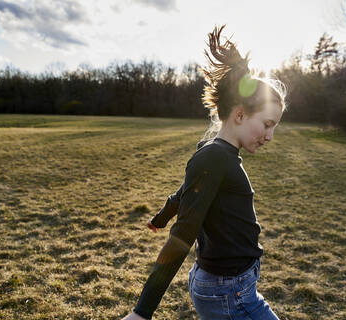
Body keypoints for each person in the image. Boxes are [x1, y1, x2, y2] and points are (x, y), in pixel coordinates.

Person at [122, 25, 286, 320]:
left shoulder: (216, 151)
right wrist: (141, 312)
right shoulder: (214, 156)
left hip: (231, 286)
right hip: (228, 292)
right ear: (239, 115)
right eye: (267, 124)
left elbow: (186, 191)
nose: (270, 135)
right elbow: (183, 236)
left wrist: (162, 215)